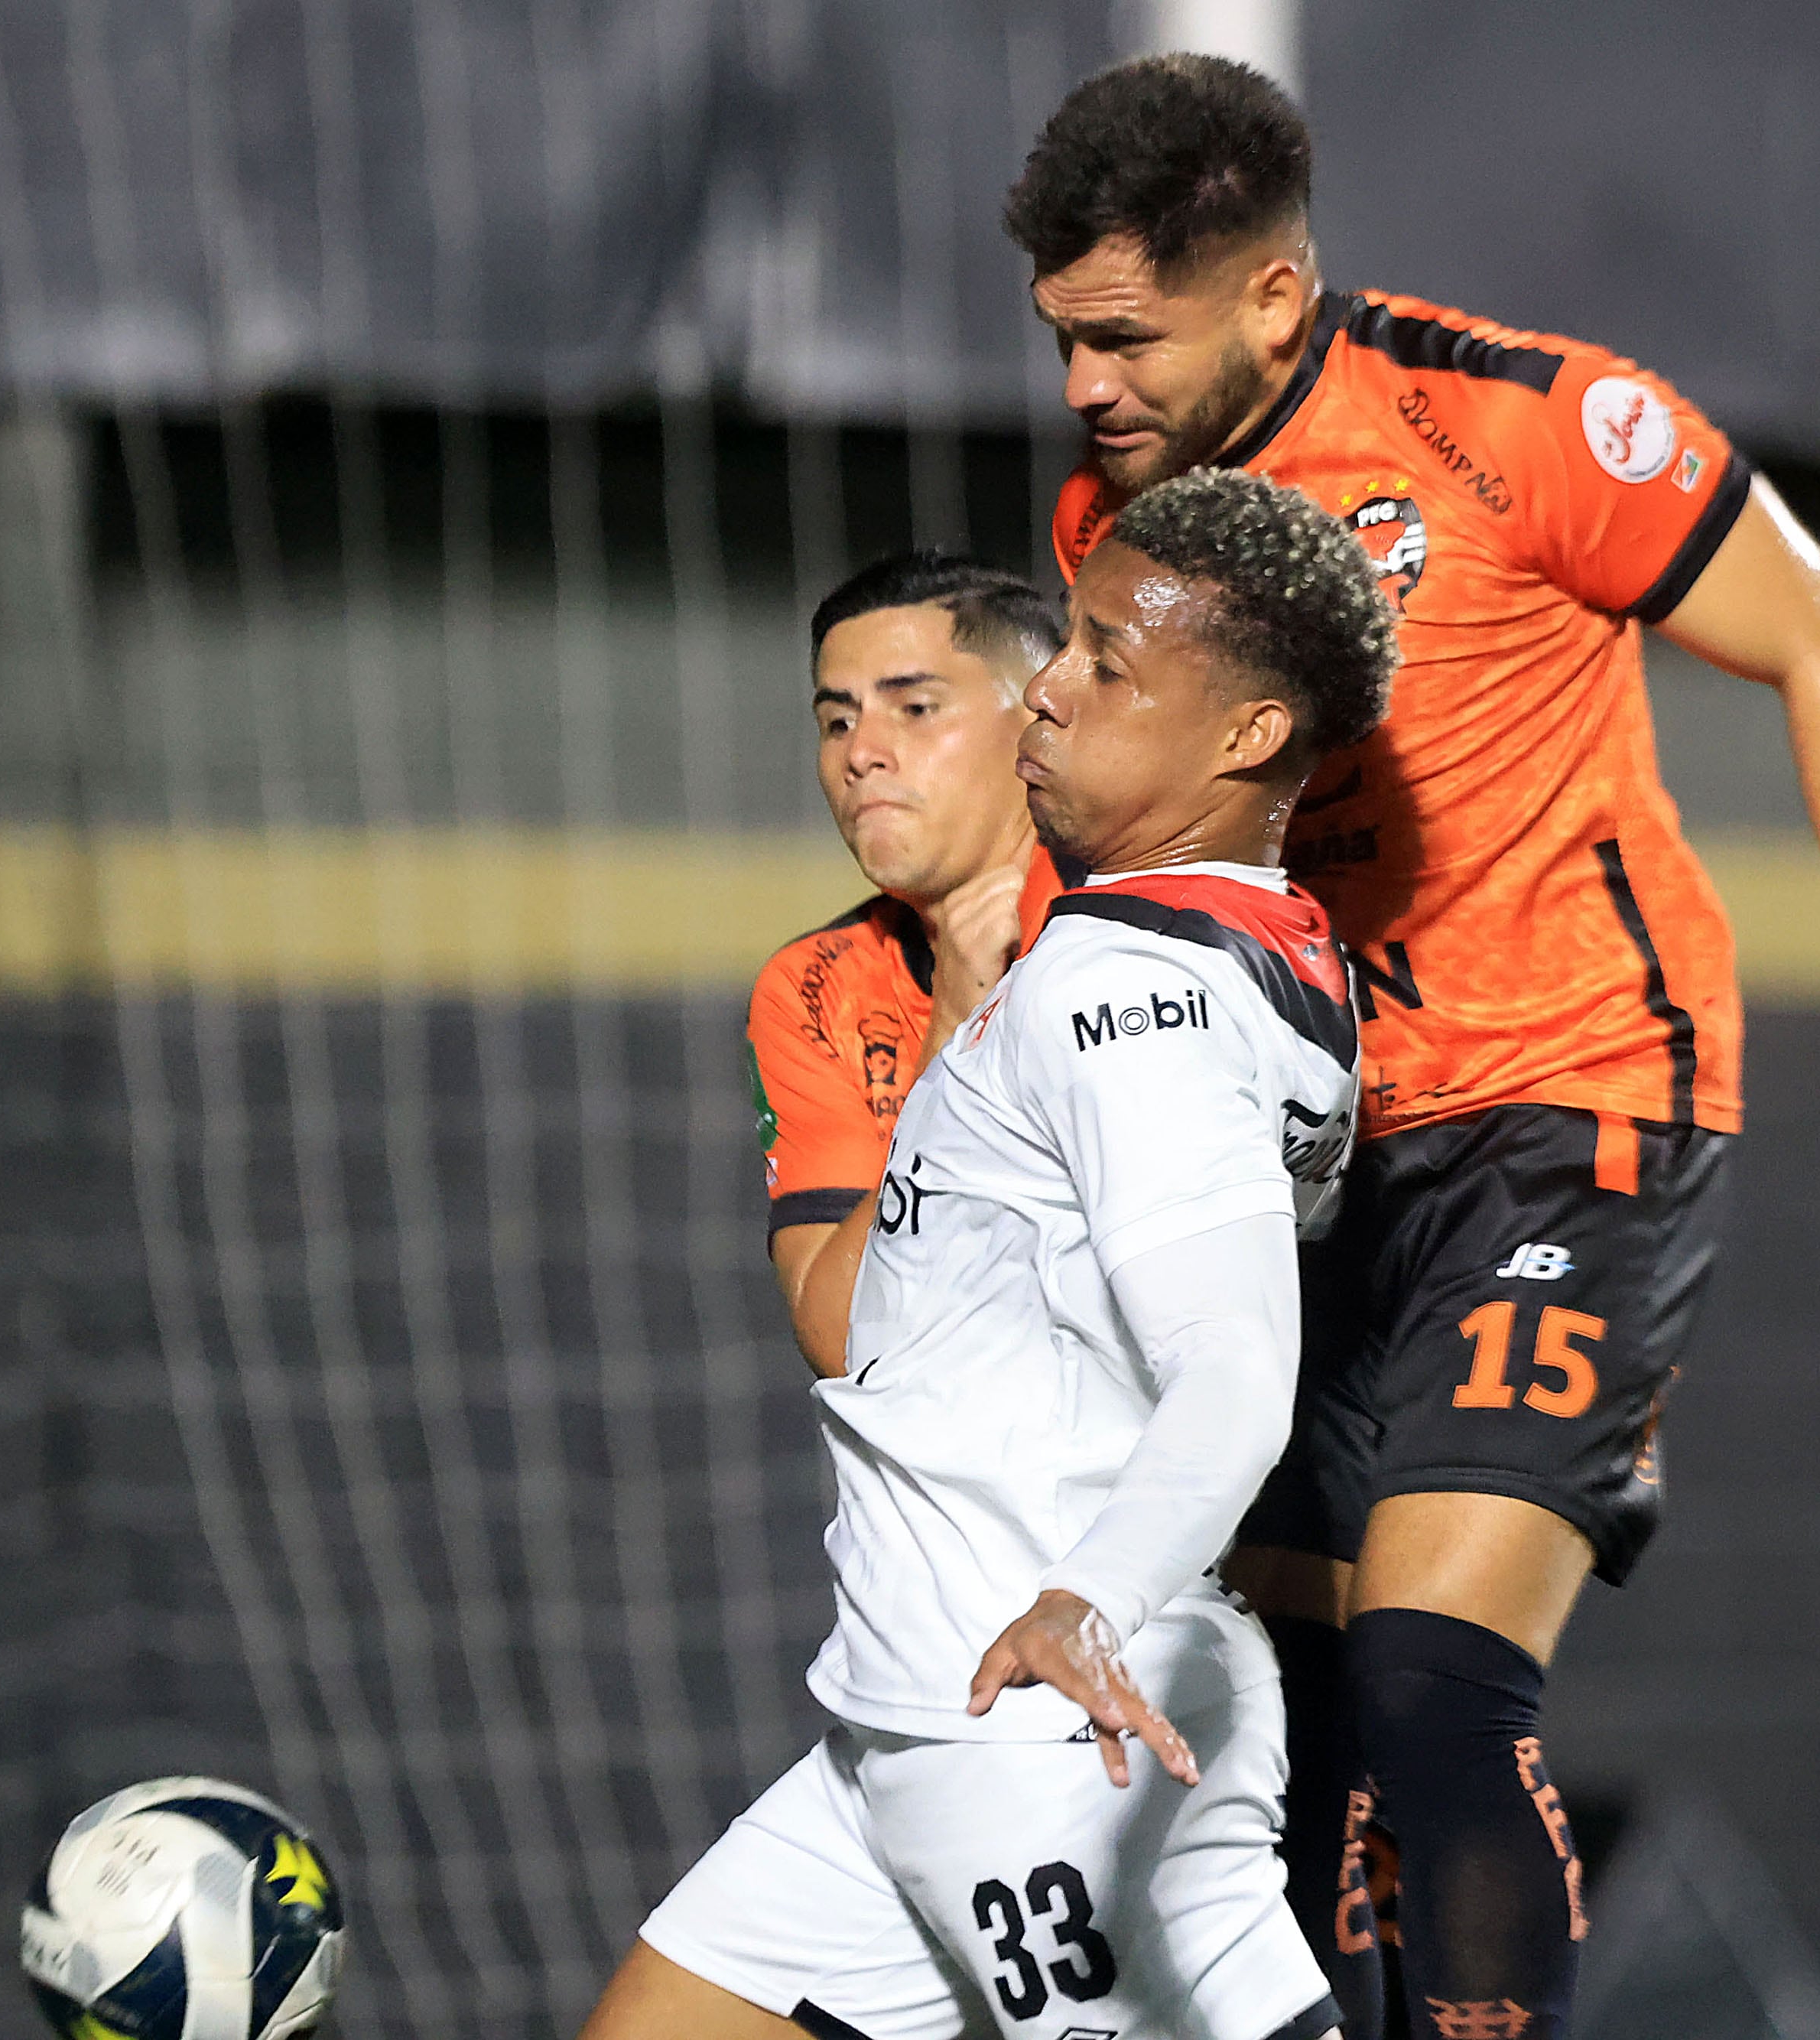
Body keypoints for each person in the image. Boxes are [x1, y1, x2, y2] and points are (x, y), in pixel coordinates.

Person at [1003, 54, 1820, 2040]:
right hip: (1324, 1167)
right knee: (1280, 1726)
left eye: (1126, 336)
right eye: (1062, 340)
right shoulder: (1110, 528)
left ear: (1277, 299)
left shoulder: (1522, 423)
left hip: (1577, 1108)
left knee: (1434, 1677)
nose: (1086, 389)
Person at [581, 467, 1397, 2040]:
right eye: (1064, 644)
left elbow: (1236, 1369)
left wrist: (1082, 1602)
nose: (1055, 692)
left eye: (1099, 662)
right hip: (903, 1716)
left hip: (1038, 1722)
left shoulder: (1122, 996)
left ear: (1241, 739)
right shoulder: (1205, 949)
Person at [749, 551, 1080, 1377]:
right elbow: (842, 1341)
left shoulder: (1138, 929)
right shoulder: (815, 986)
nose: (861, 752)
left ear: (1043, 722)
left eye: (915, 708)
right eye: (836, 721)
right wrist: (952, 1044)